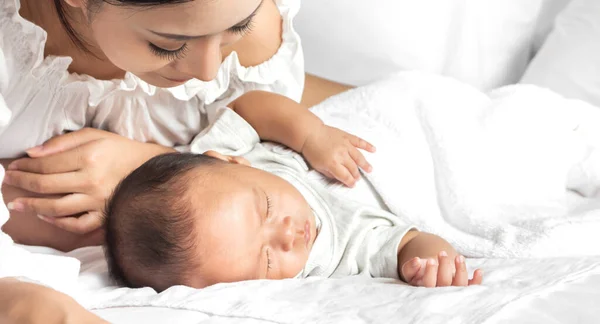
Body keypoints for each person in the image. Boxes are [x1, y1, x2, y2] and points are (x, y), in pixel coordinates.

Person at [0, 0, 350, 252]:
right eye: (169, 44)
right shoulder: (11, 60)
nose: (208, 70)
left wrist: (150, 170)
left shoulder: (251, 47)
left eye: (236, 27)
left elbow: (274, 139)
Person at [104, 108, 484, 291]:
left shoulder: (227, 162)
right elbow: (407, 241)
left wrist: (310, 135)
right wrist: (434, 261)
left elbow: (249, 106)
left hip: (387, 121)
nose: (287, 235)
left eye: (266, 207)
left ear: (227, 160)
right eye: (268, 260)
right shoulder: (338, 254)